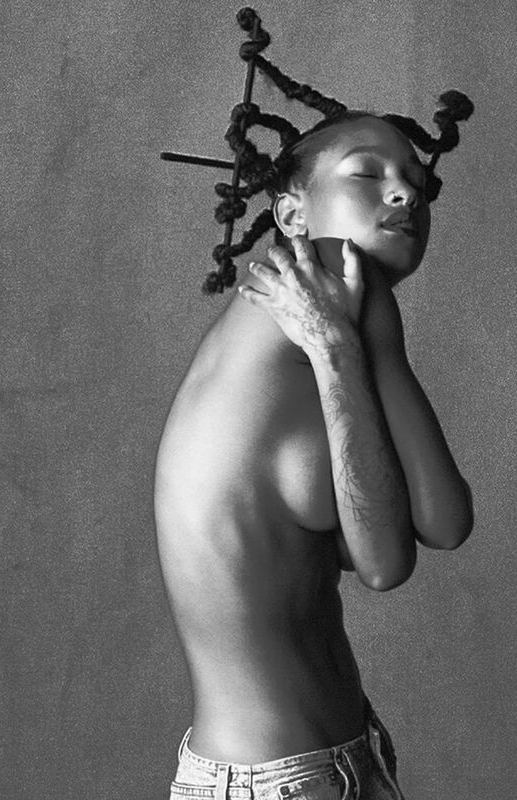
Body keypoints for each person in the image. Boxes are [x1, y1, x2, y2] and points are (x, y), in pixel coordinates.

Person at [154, 10, 474, 799]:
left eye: (420, 183)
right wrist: (337, 350)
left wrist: (341, 351)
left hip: (279, 767)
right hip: (288, 781)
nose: (405, 192)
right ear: (292, 212)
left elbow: (441, 519)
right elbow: (388, 563)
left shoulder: (306, 317)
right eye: (369, 174)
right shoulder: (331, 274)